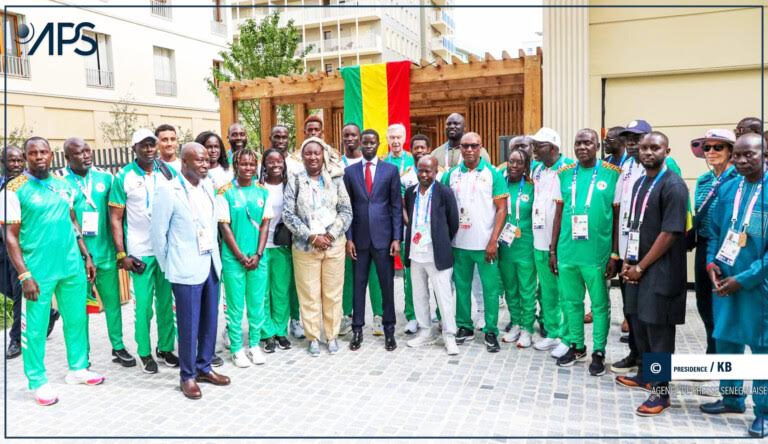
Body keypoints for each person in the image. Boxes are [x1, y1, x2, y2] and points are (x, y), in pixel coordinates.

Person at [1, 137, 104, 406]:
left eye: (43, 152)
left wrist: (86, 255)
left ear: (51, 155)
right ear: (25, 157)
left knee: (76, 319)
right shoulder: (13, 190)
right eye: (32, 153)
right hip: (37, 272)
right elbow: (10, 237)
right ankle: (37, 381)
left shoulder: (62, 185)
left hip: (71, 266)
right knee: (34, 328)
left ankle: (78, 368)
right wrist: (24, 275)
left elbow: (72, 221)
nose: (38, 157)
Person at [615, 131, 689, 416]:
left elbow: (670, 233)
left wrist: (641, 266)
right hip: (637, 267)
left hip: (660, 270)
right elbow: (636, 226)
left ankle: (661, 392)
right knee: (640, 322)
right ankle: (645, 375)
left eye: (654, 148)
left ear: (666, 151)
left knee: (658, 331)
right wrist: (627, 261)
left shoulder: (673, 185)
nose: (647, 152)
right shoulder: (640, 183)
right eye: (644, 147)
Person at [701, 133, 767, 438]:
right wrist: (712, 263)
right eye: (737, 155)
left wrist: (744, 279)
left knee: (762, 349)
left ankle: (764, 413)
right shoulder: (728, 189)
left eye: (748, 155)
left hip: (757, 287)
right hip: (724, 283)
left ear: (763, 154)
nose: (741, 160)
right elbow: (715, 231)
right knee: (727, 341)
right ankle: (731, 399)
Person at [150, 142, 228, 400]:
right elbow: (158, 235)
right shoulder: (168, 191)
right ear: (184, 162)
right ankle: (187, 376)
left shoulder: (208, 186)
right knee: (188, 325)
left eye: (207, 159)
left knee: (209, 320)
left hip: (210, 264)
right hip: (184, 267)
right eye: (200, 160)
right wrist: (169, 266)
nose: (206, 164)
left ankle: (204, 367)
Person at [57, 138, 134, 367]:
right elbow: (65, 221)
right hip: (77, 258)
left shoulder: (106, 178)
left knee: (113, 304)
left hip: (106, 253)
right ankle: (83, 356)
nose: (87, 155)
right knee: (80, 309)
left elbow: (119, 215)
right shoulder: (61, 182)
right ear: (67, 157)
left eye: (88, 150)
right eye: (80, 153)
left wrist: (123, 250)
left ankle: (118, 347)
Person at [550, 128, 621, 375]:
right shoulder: (564, 174)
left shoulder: (613, 174)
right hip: (568, 251)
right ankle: (577, 345)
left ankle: (599, 350)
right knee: (572, 302)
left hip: (597, 254)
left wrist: (615, 254)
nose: (582, 147)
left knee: (600, 305)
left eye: (588, 143)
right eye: (578, 143)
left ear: (597, 146)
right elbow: (558, 215)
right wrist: (552, 250)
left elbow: (617, 217)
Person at [109, 129, 179, 374]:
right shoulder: (124, 177)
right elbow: (115, 218)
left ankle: (166, 348)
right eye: (143, 146)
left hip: (165, 250)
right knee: (144, 307)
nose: (149, 149)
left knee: (166, 304)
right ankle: (144, 352)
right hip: (139, 252)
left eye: (152, 144)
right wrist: (122, 254)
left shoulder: (167, 171)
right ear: (134, 149)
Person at [283, 137, 352, 357]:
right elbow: (288, 214)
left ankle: (331, 335)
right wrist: (312, 237)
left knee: (332, 293)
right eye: (308, 153)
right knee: (309, 293)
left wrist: (330, 235)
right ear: (302, 157)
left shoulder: (336, 179)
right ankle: (313, 336)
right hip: (306, 247)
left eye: (317, 153)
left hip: (333, 246)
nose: (313, 157)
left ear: (324, 155)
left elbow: (346, 210)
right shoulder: (294, 179)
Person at [441, 132, 507, 353]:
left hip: (485, 245)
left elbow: (502, 209)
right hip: (458, 244)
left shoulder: (493, 174)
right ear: (459, 148)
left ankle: (490, 331)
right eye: (465, 146)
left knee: (490, 290)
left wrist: (493, 240)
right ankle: (464, 327)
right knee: (462, 288)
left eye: (474, 146)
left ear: (481, 147)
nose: (469, 150)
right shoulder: (450, 175)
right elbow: (441, 206)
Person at [344, 129, 402, 352]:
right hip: (359, 240)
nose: (368, 146)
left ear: (379, 144)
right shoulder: (350, 172)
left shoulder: (390, 170)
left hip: (384, 239)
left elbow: (396, 206)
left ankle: (389, 330)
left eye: (372, 142)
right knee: (358, 287)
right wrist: (348, 238)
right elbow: (347, 209)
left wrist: (397, 237)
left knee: (387, 286)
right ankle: (357, 329)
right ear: (360, 144)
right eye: (364, 142)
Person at [215, 147, 272, 367]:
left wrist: (258, 254)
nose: (247, 168)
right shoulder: (224, 192)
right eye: (243, 164)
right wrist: (240, 256)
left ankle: (255, 345)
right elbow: (225, 227)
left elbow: (266, 224)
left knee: (257, 304)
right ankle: (237, 348)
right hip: (233, 260)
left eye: (251, 164)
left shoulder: (262, 191)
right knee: (236, 305)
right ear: (235, 165)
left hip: (258, 258)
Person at [2, 145, 60, 359]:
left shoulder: (28, 186)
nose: (16, 164)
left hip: (20, 247)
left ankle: (16, 339)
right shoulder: (4, 187)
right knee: (6, 288)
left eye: (19, 160)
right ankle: (50, 314)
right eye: (11, 160)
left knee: (19, 293)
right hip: (2, 249)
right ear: (3, 162)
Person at [403, 155, 460, 355]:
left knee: (443, 297)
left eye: (428, 171)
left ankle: (449, 335)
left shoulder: (445, 192)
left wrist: (441, 240)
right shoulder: (411, 193)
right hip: (415, 253)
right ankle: (425, 332)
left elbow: (454, 223)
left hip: (437, 254)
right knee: (419, 295)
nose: (424, 174)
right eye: (421, 170)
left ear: (436, 172)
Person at [527, 128, 574, 358]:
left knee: (566, 292)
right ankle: (553, 332)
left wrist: (556, 246)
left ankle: (568, 337)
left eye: (539, 145)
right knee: (548, 292)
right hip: (539, 240)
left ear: (553, 148)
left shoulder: (568, 170)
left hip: (560, 244)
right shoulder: (537, 170)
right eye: (534, 144)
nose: (534, 149)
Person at [690, 129, 738, 355]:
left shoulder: (739, 179)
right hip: (704, 245)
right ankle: (712, 348)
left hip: (729, 248)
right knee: (704, 303)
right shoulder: (703, 180)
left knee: (725, 303)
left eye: (718, 147)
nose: (711, 152)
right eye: (707, 147)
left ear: (730, 151)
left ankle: (720, 354)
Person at [339, 123, 384, 337]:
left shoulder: (374, 162)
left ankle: (379, 316)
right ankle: (347, 316)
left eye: (353, 135)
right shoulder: (336, 164)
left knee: (375, 274)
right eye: (346, 135)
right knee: (349, 275)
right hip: (347, 229)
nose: (350, 139)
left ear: (360, 138)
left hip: (374, 229)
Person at [399, 134, 438, 335]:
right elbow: (401, 205)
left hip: (434, 237)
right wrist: (412, 225)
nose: (420, 150)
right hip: (412, 236)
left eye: (423, 147)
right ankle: (413, 316)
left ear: (429, 148)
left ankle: (439, 316)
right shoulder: (406, 177)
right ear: (411, 150)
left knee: (439, 279)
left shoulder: (438, 175)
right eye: (416, 148)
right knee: (412, 279)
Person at [498, 147, 537, 348]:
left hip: (525, 246)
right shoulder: (500, 184)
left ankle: (527, 328)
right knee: (510, 287)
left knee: (526, 289)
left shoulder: (532, 187)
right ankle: (515, 323)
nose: (514, 166)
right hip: (505, 246)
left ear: (526, 166)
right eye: (511, 161)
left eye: (519, 163)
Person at [260, 148, 294, 352]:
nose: (275, 165)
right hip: (261, 247)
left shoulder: (289, 186)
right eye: (270, 162)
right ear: (264, 164)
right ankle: (266, 333)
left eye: (279, 161)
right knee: (262, 293)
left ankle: (281, 331)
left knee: (281, 291)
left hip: (281, 246)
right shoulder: (258, 186)